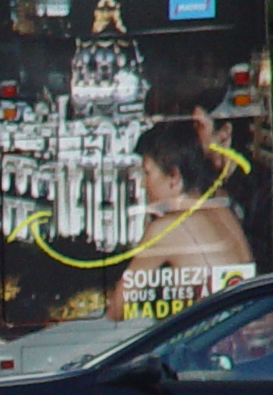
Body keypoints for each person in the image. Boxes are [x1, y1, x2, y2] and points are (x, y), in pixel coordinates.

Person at [109, 119, 254, 322]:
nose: (143, 184)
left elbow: (118, 309)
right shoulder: (220, 207)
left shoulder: (167, 228)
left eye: (147, 173)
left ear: (174, 177)